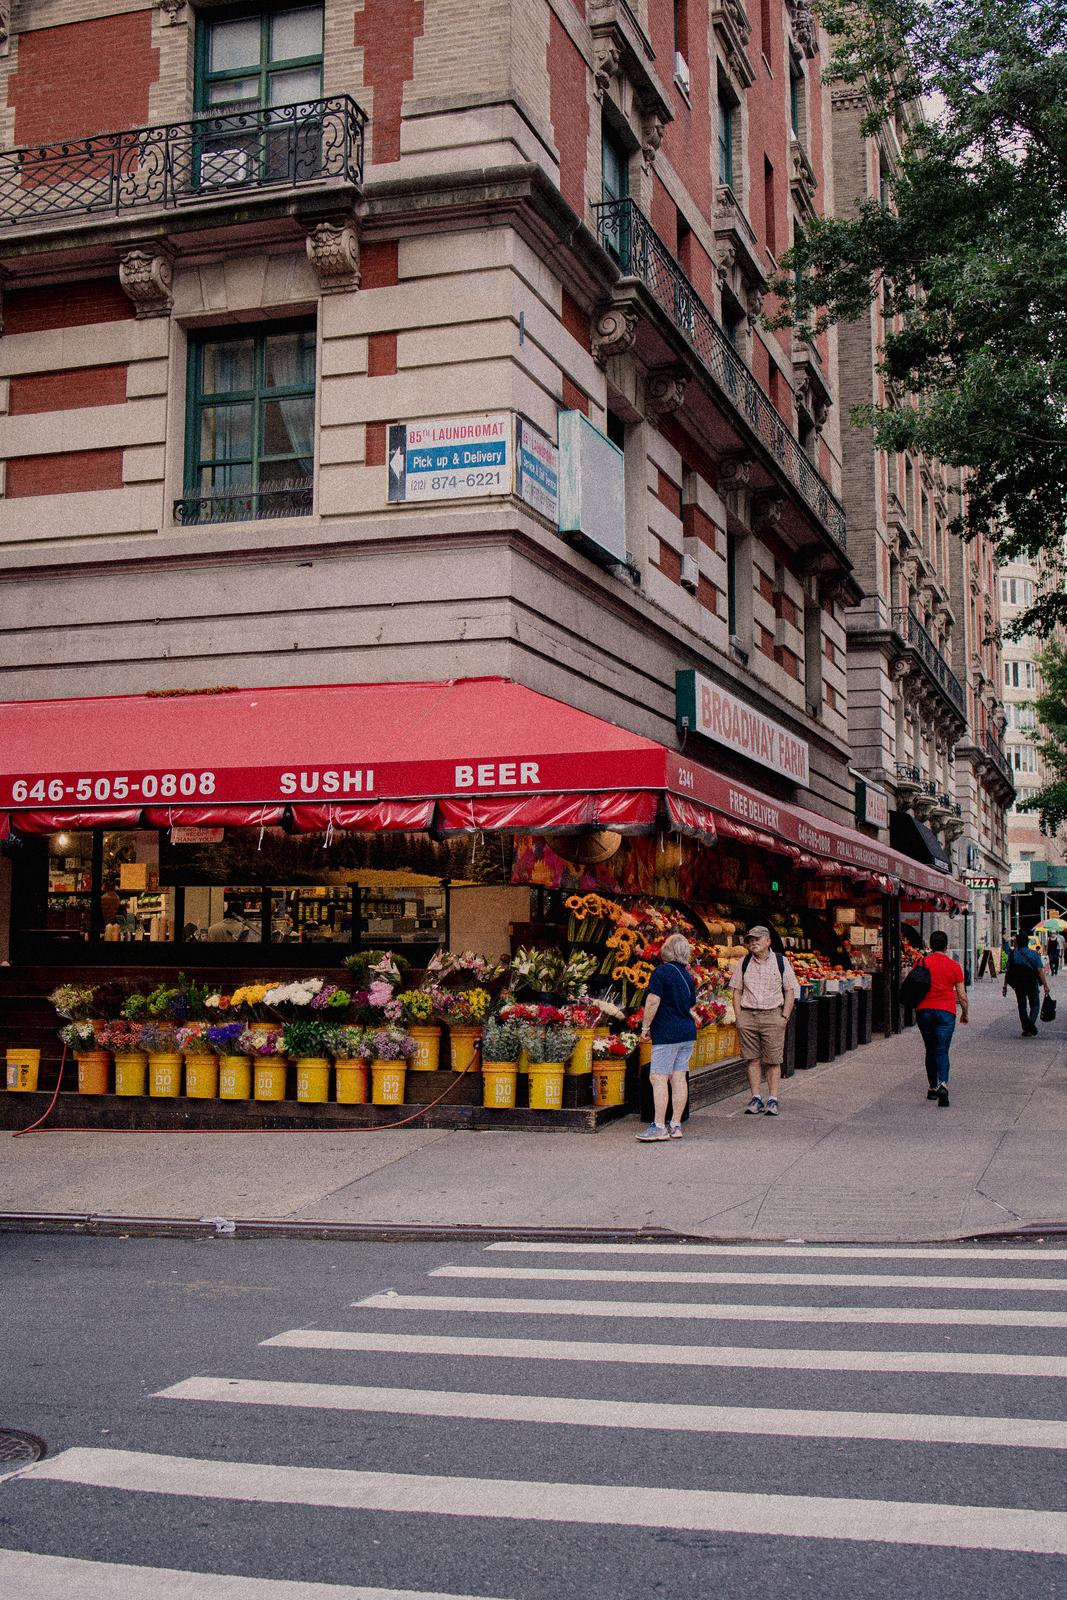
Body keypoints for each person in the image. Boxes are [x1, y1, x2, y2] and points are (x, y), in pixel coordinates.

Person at [729, 925, 800, 1118]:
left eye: (757, 939)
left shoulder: (781, 962)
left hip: (773, 1015)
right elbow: (736, 991)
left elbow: (790, 990)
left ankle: (773, 1099)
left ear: (768, 941)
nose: (753, 942)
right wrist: (739, 1017)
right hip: (748, 1016)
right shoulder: (743, 963)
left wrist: (784, 1016)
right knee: (752, 1059)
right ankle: (756, 1097)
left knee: (773, 1060)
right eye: (751, 939)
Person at [636, 933, 698, 1142]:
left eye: (665, 944)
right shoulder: (687, 976)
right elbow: (691, 1003)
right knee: (679, 1077)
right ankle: (676, 1124)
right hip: (687, 1032)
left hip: (667, 1033)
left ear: (670, 950)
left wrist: (645, 1027)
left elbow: (653, 1000)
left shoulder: (661, 972)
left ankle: (659, 1126)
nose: (662, 946)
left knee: (659, 1077)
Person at [914, 929, 968, 1108]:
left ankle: (931, 1088)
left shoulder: (921, 962)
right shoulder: (954, 966)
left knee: (930, 1049)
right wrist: (965, 1013)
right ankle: (943, 1083)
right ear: (946, 946)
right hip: (946, 1012)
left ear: (930, 945)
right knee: (942, 1050)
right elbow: (962, 995)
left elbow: (914, 985)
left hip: (924, 1011)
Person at [1003, 931, 1051, 1036]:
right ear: (1027, 942)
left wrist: (1005, 986)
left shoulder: (1013, 954)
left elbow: (1008, 971)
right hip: (1031, 983)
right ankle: (1030, 1024)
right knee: (1035, 1005)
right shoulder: (1034, 954)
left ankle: (1026, 1025)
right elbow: (1040, 971)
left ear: (1017, 942)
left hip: (1018, 984)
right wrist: (1045, 986)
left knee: (1022, 1005)